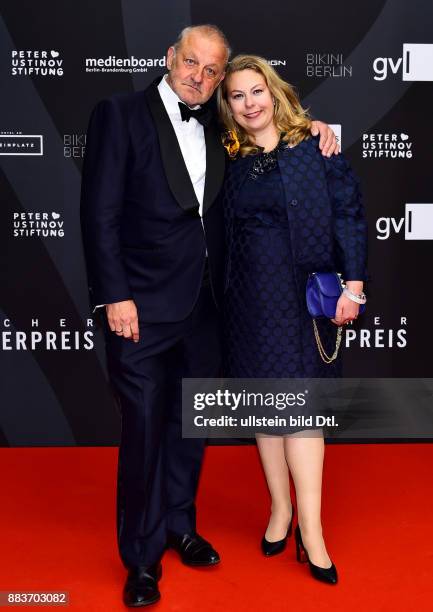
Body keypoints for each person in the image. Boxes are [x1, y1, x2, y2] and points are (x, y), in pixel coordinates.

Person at [80, 25, 340, 607]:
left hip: (208, 306)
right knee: (144, 431)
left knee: (187, 429)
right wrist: (113, 295)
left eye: (211, 70)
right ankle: (142, 560)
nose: (199, 76)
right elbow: (98, 213)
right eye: (191, 62)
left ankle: (180, 526)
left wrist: (315, 129)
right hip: (140, 310)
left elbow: (272, 132)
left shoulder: (223, 122)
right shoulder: (119, 114)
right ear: (171, 57)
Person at [217, 55, 368, 585]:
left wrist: (354, 286)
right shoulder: (227, 157)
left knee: (300, 411)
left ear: (274, 92)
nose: (250, 103)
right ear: (228, 106)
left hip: (302, 299)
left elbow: (349, 214)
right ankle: (279, 510)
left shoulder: (315, 147)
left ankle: (312, 530)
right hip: (247, 302)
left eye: (257, 91)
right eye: (237, 96)